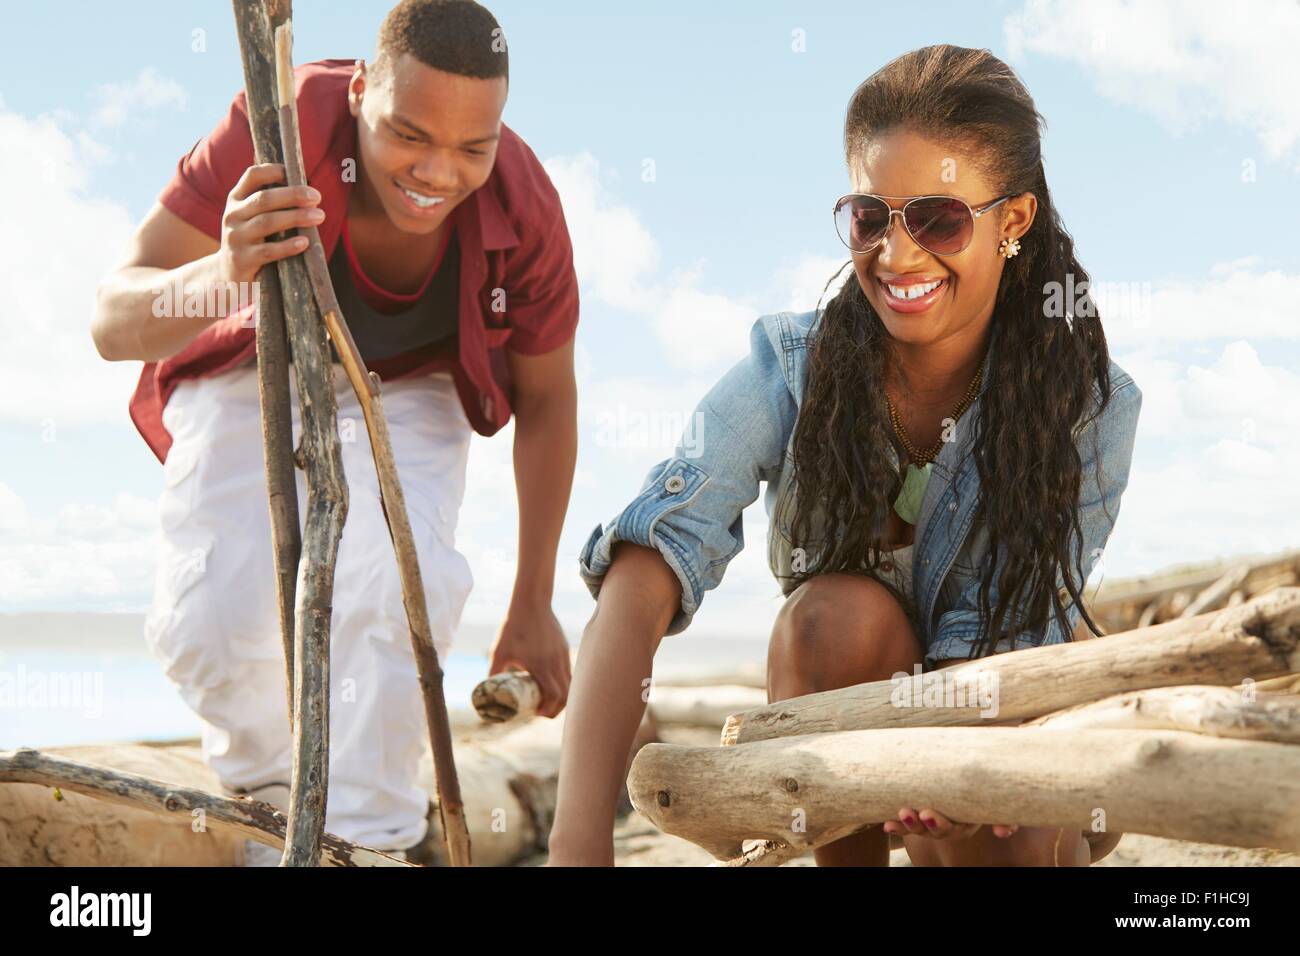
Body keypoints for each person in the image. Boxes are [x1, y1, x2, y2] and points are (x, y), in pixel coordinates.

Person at [551, 45, 1142, 867]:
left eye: (938, 218)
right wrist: (578, 843)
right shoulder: (792, 365)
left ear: (1013, 222)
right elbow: (652, 557)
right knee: (827, 621)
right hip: (852, 731)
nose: (897, 255)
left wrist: (954, 779)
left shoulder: (1088, 405)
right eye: (872, 217)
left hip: (1002, 702)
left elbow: (1012, 641)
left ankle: (1065, 833)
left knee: (1000, 834)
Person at [92, 0, 577, 863]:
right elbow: (111, 320)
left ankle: (370, 836)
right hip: (255, 360)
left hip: (415, 383)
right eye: (409, 134)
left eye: (475, 146)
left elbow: (547, 400)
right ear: (359, 90)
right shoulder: (274, 127)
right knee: (210, 617)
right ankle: (271, 802)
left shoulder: (524, 204)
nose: (439, 171)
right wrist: (225, 267)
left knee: (396, 584)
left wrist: (533, 598)